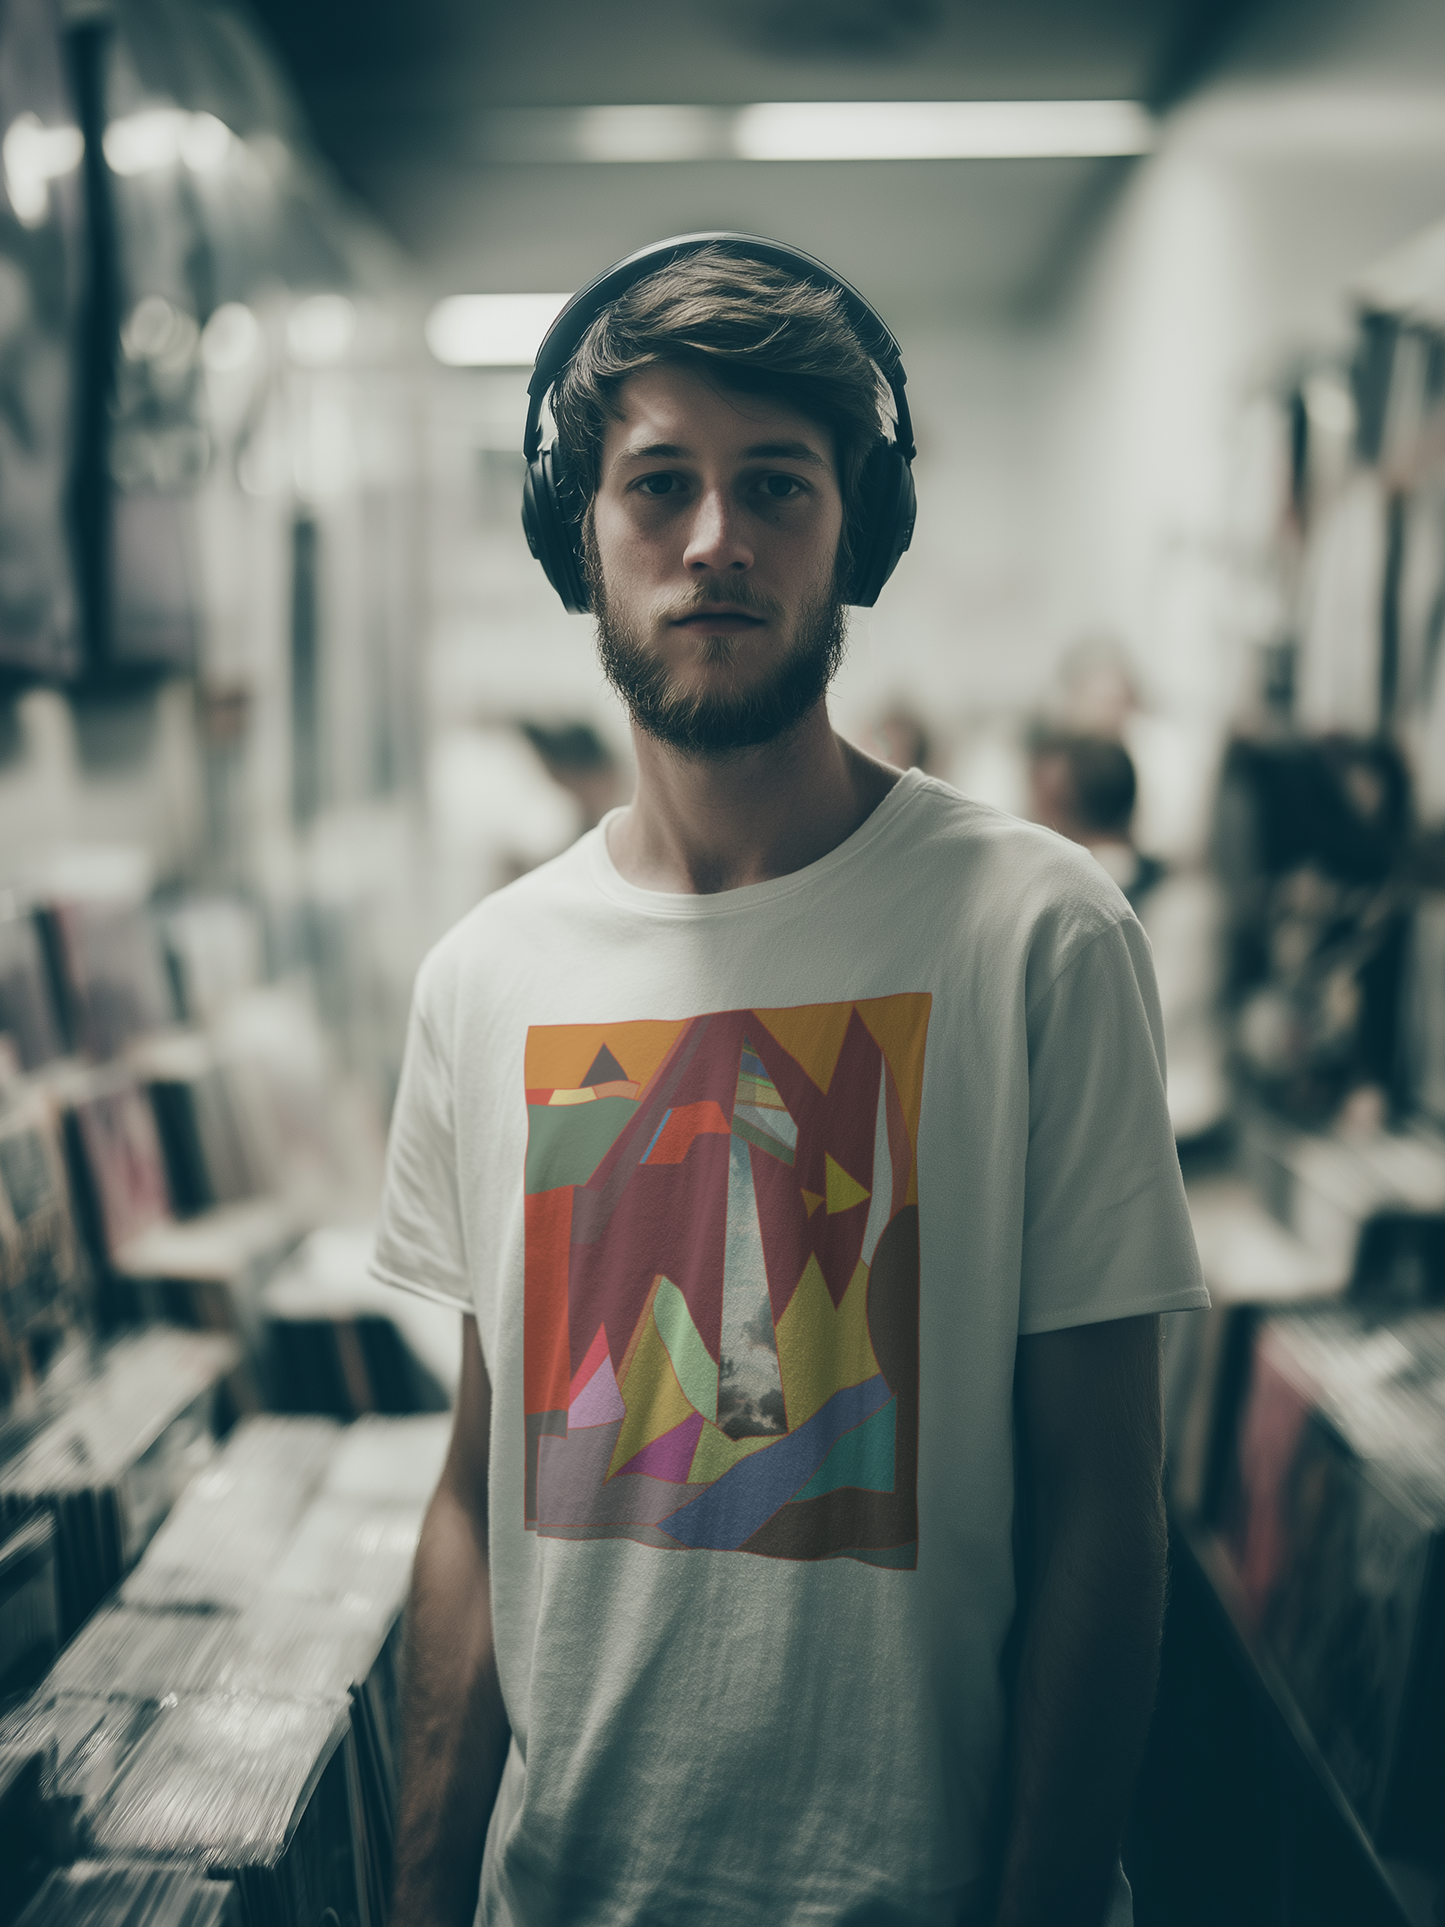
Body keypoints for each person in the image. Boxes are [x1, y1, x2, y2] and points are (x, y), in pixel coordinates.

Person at [373, 235, 1207, 1927]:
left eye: (777, 486)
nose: (715, 541)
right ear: (576, 537)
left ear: (859, 533)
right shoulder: (480, 981)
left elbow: (1107, 1510)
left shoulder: (1040, 936)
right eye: (658, 485)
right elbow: (469, 1498)